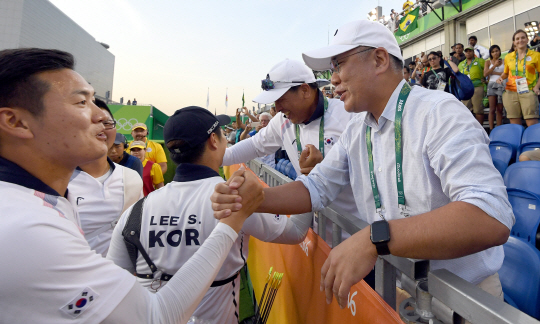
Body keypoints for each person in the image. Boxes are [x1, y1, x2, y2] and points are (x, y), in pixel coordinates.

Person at [212, 20, 513, 316]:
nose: (333, 80)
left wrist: (376, 238)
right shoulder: (358, 126)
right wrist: (255, 200)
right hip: (405, 293)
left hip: (465, 302)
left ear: (379, 59)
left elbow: (490, 216)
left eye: (339, 65)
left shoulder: (439, 112)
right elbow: (316, 187)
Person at [0, 47, 264, 324]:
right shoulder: (26, 227)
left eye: (95, 101)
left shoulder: (34, 204)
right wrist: (231, 223)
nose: (102, 117)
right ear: (15, 122)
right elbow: (155, 316)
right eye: (81, 103)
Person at [107, 107, 310, 323]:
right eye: (223, 133)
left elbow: (112, 287)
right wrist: (307, 176)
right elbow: (296, 232)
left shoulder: (134, 212)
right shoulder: (235, 199)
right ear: (214, 140)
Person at [221, 58, 359, 220]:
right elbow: (255, 145)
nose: (277, 108)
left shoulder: (348, 116)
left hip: (353, 229)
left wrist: (326, 169)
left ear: (305, 91)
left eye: (281, 99)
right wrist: (216, 158)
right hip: (316, 228)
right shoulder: (282, 120)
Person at [68, 98, 143, 257]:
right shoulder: (57, 179)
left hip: (120, 276)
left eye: (107, 122)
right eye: (91, 122)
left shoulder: (131, 178)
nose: (101, 128)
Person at [498, 29, 540, 127]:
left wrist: (537, 87)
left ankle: (533, 142)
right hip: (510, 93)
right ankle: (518, 142)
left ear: (527, 39)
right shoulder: (508, 57)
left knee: (532, 122)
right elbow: (505, 73)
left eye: (522, 38)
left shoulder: (536, 55)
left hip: (528, 91)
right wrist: (500, 78)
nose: (520, 40)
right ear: (514, 42)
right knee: (515, 125)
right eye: (517, 39)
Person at [459, 46, 486, 125]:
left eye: (470, 51)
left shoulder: (480, 61)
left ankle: (479, 128)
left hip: (477, 86)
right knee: (466, 109)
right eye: (466, 51)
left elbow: (487, 70)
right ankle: (470, 127)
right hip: (466, 89)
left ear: (473, 52)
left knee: (478, 109)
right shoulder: (461, 64)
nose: (468, 52)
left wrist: (486, 80)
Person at [484, 45, 505, 130]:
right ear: (490, 54)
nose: (495, 53)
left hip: (501, 84)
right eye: (493, 52)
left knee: (500, 109)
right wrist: (494, 66)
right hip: (491, 84)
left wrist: (493, 73)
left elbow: (506, 73)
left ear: (500, 51)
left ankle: (499, 129)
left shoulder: (504, 61)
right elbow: (485, 74)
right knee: (492, 109)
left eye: (496, 51)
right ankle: (492, 129)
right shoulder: (488, 62)